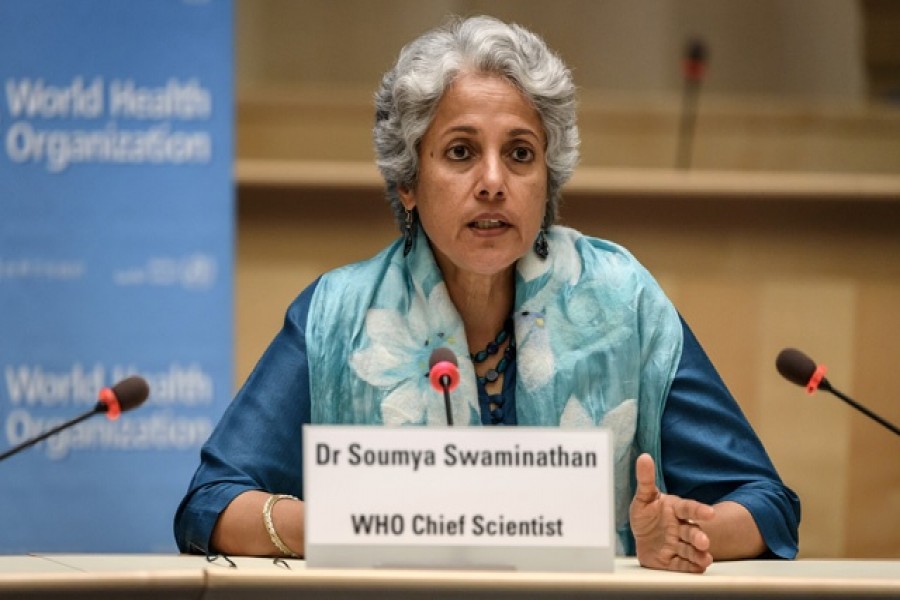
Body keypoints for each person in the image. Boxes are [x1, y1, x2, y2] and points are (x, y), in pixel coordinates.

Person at [174, 15, 800, 573]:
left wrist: (684, 534)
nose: (494, 182)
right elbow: (210, 504)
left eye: (521, 154)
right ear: (409, 181)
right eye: (461, 152)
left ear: (547, 181)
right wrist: (356, 524)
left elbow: (767, 505)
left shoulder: (620, 301)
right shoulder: (341, 313)